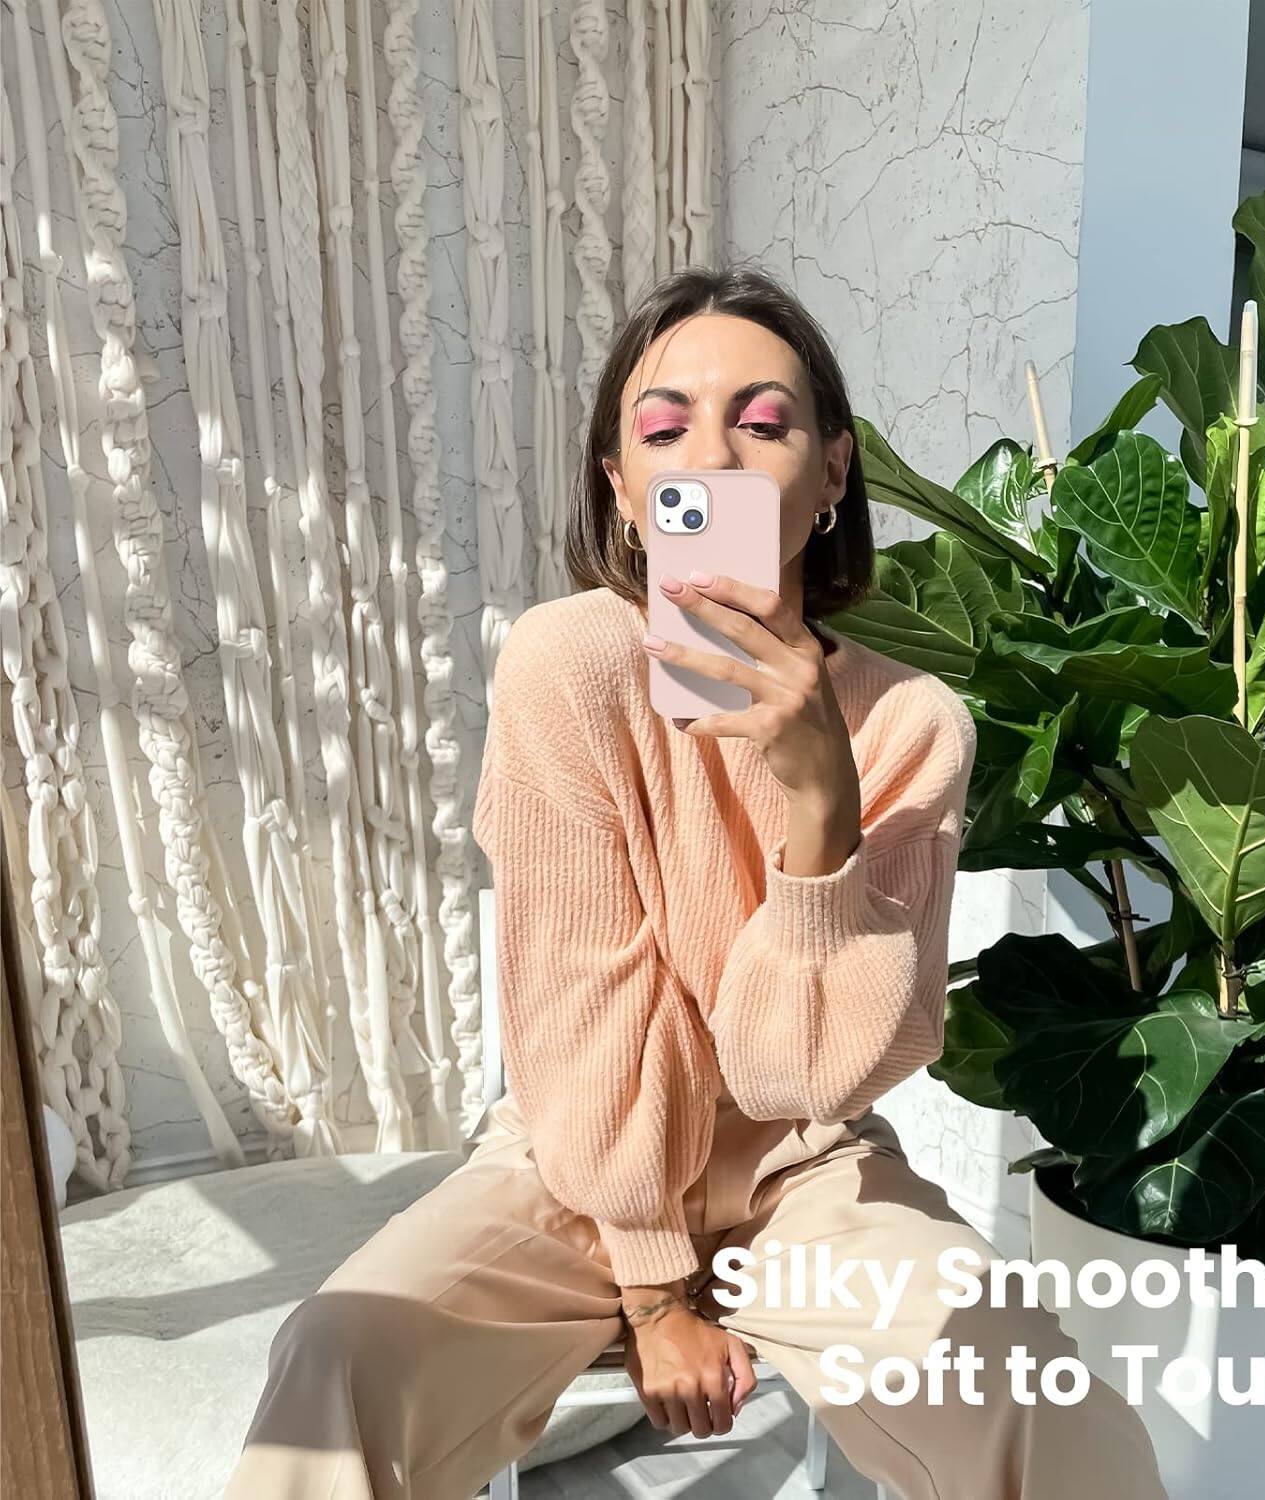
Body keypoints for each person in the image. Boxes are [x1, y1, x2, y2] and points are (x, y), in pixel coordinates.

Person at [224, 266, 1168, 1500]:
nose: (712, 458)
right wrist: (655, 1289)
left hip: (805, 1173)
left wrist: (820, 803)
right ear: (623, 488)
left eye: (763, 424)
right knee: (341, 1357)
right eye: (665, 430)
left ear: (832, 476)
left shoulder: (911, 724)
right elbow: (583, 1003)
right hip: (580, 1165)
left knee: (1051, 1410)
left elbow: (805, 1079)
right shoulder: (569, 665)